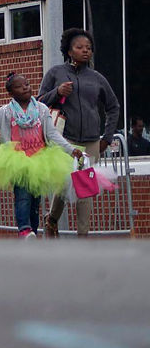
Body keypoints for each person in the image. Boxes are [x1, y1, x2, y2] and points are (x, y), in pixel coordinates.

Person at [0, 73, 83, 239]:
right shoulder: (5, 112)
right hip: (17, 160)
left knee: (35, 201)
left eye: (27, 84)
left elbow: (52, 134)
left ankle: (33, 232)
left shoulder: (41, 109)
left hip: (39, 159)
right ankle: (24, 229)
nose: (25, 88)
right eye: (19, 86)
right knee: (22, 196)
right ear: (10, 93)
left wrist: (70, 149)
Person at [38, 28, 120, 237]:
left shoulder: (97, 78)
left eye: (89, 48)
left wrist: (107, 138)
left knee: (86, 189)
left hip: (92, 141)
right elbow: (37, 104)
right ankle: (52, 219)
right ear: (69, 50)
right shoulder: (56, 73)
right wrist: (57, 92)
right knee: (65, 184)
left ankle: (83, 235)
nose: (86, 51)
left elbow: (113, 107)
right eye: (80, 47)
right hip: (66, 140)